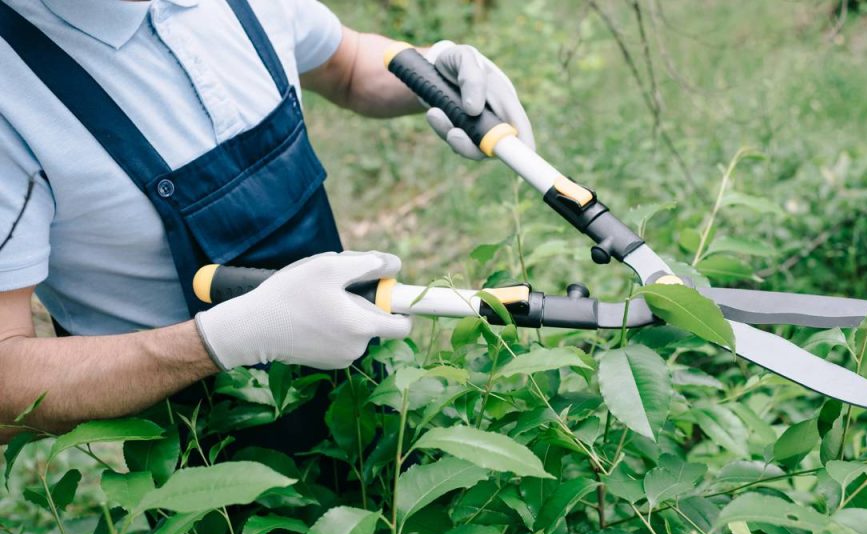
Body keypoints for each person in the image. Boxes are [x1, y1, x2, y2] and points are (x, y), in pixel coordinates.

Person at [0, 0, 535, 445]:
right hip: (207, 482)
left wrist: (428, 71)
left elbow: (346, 64)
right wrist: (224, 340)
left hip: (361, 395)